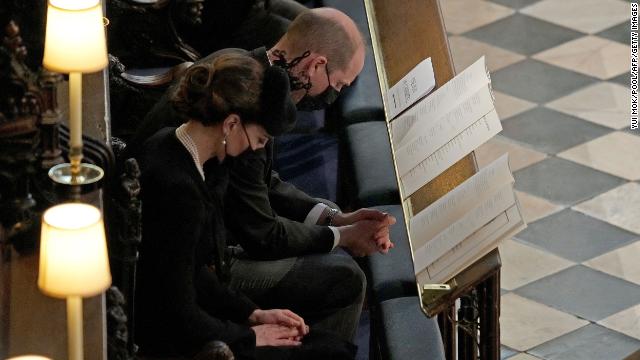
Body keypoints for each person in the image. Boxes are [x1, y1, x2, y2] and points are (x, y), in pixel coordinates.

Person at [132, 8, 396, 342]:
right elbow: (261, 234)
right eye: (338, 85)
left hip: (201, 238)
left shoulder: (241, 64)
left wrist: (336, 219)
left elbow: (262, 182)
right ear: (315, 65)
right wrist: (343, 237)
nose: (336, 96)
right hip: (198, 255)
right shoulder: (247, 106)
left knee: (326, 216)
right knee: (345, 278)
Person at [134, 53, 356, 359]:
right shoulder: (179, 191)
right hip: (177, 342)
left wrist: (254, 313)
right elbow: (177, 312)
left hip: (196, 320)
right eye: (261, 139)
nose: (258, 149)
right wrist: (249, 336)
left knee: (327, 345)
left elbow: (192, 271)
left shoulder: (175, 148)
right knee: (327, 351)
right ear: (231, 124)